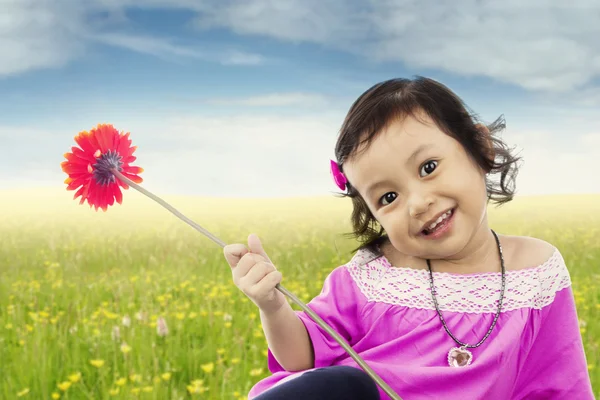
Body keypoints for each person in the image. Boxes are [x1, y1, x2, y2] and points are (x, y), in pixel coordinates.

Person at [223, 76, 595, 400]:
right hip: (352, 394)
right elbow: (304, 357)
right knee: (342, 385)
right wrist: (272, 306)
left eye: (428, 168)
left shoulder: (536, 274)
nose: (417, 204)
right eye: (388, 198)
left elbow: (559, 386)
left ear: (479, 147)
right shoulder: (374, 276)